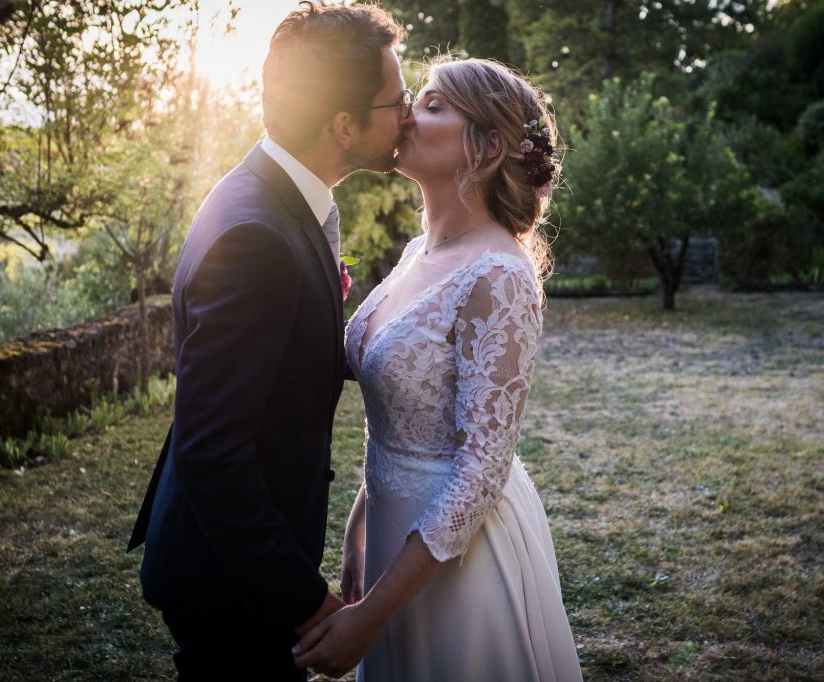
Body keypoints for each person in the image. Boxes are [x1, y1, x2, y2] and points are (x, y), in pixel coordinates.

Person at [124, 3, 407, 680]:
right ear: (344, 125)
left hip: (239, 566)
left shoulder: (277, 199)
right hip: (231, 584)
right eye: (395, 100)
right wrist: (308, 603)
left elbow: (286, 360)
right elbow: (212, 453)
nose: (409, 111)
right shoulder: (257, 236)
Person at [292, 57, 583, 681]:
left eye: (431, 105)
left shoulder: (499, 274)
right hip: (391, 534)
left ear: (488, 144)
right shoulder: (419, 251)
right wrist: (361, 518)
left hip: (458, 556)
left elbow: (481, 470)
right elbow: (404, 412)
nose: (406, 115)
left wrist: (371, 616)